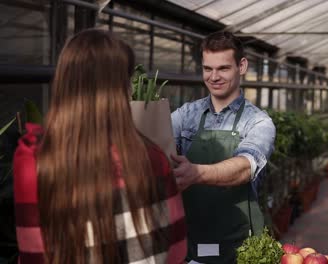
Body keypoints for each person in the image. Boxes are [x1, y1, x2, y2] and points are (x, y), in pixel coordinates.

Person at [13, 29, 186, 263]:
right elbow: (176, 251)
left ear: (63, 82)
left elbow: (33, 254)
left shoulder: (35, 160)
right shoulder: (151, 158)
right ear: (121, 89)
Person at [171, 31, 276, 263]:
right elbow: (154, 142)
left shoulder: (258, 122)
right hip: (191, 243)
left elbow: (245, 167)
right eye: (207, 69)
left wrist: (195, 173)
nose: (214, 76)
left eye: (223, 69)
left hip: (240, 247)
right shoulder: (186, 115)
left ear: (242, 66)